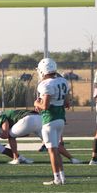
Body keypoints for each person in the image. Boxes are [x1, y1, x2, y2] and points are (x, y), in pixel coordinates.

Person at [0, 109, 81, 164]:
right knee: (52, 143)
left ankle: (16, 158)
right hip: (39, 118)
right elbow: (26, 134)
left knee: (11, 136)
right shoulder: (11, 115)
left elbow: (6, 134)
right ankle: (72, 159)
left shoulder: (2, 117)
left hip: (28, 119)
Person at [34, 58, 70, 186]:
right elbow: (67, 103)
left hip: (49, 120)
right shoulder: (63, 81)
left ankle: (56, 178)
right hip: (60, 119)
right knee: (55, 149)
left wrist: (36, 102)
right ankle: (62, 177)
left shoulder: (45, 85)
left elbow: (45, 106)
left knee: (52, 150)